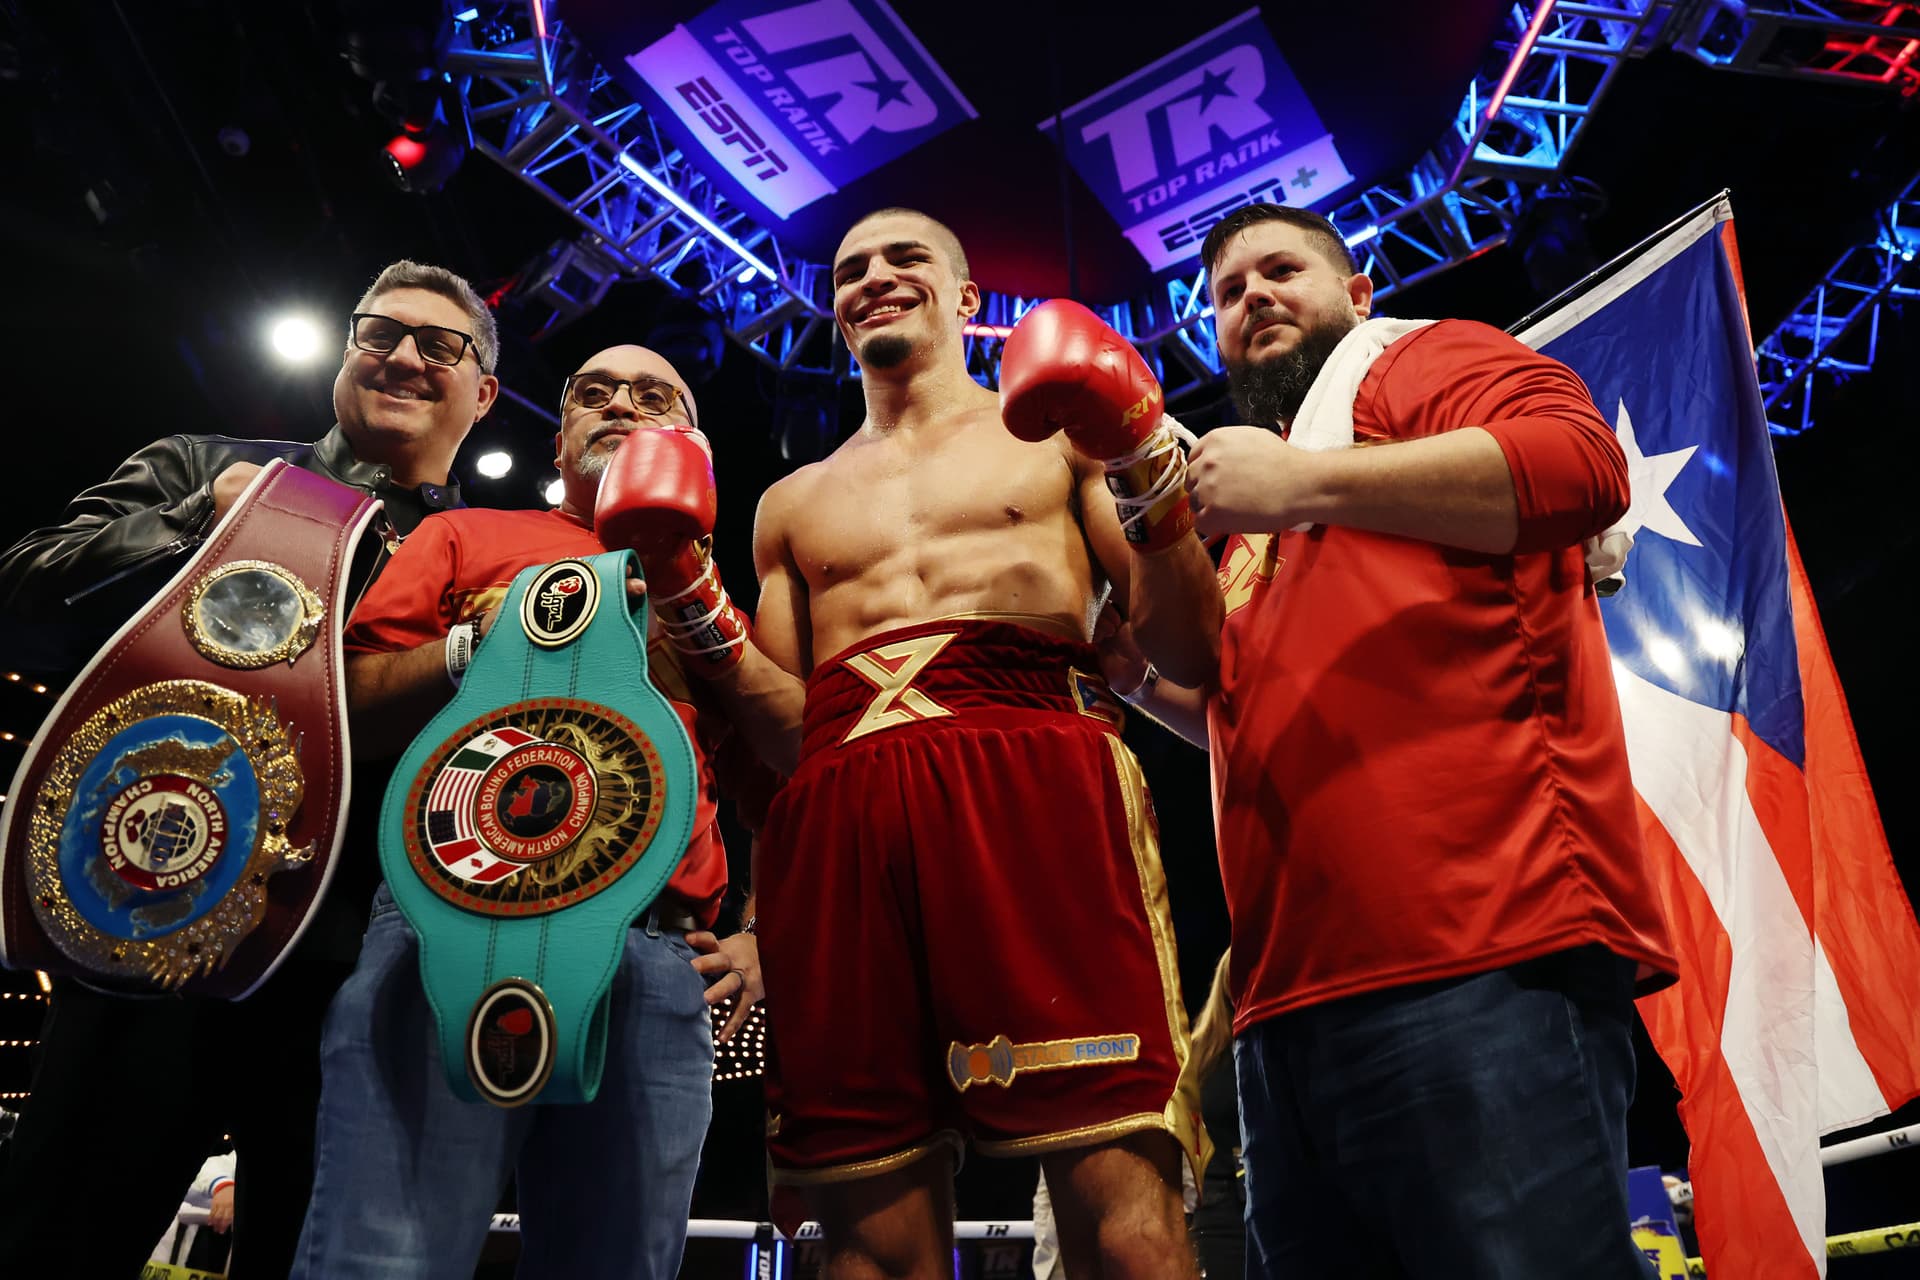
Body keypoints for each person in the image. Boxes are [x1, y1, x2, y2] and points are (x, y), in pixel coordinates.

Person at [1110, 203, 1676, 1279]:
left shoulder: (1417, 359)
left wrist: (1306, 484)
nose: (1253, 299)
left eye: (1282, 271)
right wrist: (1130, 673)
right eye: (1228, 294)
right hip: (1284, 1007)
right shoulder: (1257, 514)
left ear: (1357, 292)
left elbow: (1583, 465)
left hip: (1478, 951)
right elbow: (1242, 709)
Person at [738, 206, 1225, 1280]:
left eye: (907, 256)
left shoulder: (1057, 435)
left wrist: (1147, 459)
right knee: (864, 1230)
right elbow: (785, 736)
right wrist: (690, 605)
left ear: (967, 299)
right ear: (833, 308)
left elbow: (1191, 644)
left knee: (1119, 1199)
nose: (874, 276)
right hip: (843, 823)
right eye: (851, 267)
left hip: (1033, 784)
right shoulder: (787, 503)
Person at [0, 260, 499, 1277]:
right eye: (380, 331)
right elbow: (20, 599)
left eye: (438, 344)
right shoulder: (212, 466)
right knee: (55, 1242)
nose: (402, 355)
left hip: (361, 976)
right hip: (160, 937)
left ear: (484, 392)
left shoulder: (497, 561)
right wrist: (196, 519)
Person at [289, 344, 773, 1280]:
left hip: (659, 951)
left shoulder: (721, 611)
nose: (620, 406)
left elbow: (788, 785)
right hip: (454, 925)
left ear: (694, 447)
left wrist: (765, 937)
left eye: (652, 397)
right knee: (384, 1260)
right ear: (560, 441)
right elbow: (342, 705)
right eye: (593, 395)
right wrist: (483, 640)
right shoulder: (465, 536)